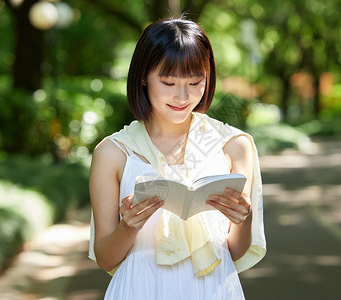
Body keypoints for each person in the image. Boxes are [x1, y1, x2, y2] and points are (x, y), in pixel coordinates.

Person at [88, 17, 266, 299]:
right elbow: (105, 258)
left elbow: (234, 251)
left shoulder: (233, 146)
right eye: (168, 82)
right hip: (140, 287)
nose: (182, 96)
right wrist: (128, 226)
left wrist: (244, 219)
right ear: (143, 76)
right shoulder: (114, 153)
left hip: (214, 288)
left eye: (195, 82)